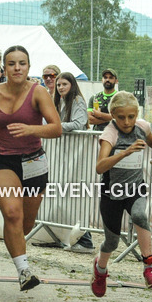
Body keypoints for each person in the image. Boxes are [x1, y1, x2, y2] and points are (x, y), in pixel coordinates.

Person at [0, 45, 62, 290]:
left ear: (29, 67)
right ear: (3, 67)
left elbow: (56, 128)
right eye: (11, 64)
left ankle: (15, 245)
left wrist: (32, 129)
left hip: (33, 162)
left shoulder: (38, 93)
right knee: (12, 214)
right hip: (2, 159)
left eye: (22, 63)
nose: (17, 68)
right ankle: (24, 271)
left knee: (24, 224)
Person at [92, 91, 152, 297]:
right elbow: (100, 166)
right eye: (121, 117)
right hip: (112, 192)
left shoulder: (142, 127)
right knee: (112, 242)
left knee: (140, 216)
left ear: (137, 114)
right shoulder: (110, 134)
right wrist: (125, 152)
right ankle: (100, 269)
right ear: (113, 117)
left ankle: (149, 267)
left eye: (131, 116)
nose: (127, 122)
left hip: (135, 187)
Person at [54, 71, 93, 252]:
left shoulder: (77, 100)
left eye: (64, 84)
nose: (61, 87)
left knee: (76, 193)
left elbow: (79, 123)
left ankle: (85, 239)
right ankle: (69, 236)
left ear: (72, 85)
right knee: (66, 194)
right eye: (59, 85)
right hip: (66, 153)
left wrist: (56, 127)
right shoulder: (60, 101)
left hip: (77, 154)